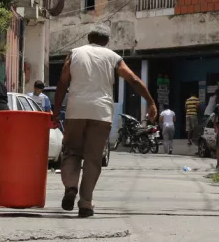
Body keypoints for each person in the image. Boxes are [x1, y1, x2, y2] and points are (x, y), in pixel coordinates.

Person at [53, 24, 157, 218]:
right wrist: (150, 102)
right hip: (101, 113)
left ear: (89, 38)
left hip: (76, 111)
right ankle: (85, 204)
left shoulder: (74, 53)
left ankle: (71, 187)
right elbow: (133, 79)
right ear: (107, 41)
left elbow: (62, 82)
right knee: (93, 159)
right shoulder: (113, 58)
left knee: (71, 152)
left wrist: (55, 111)